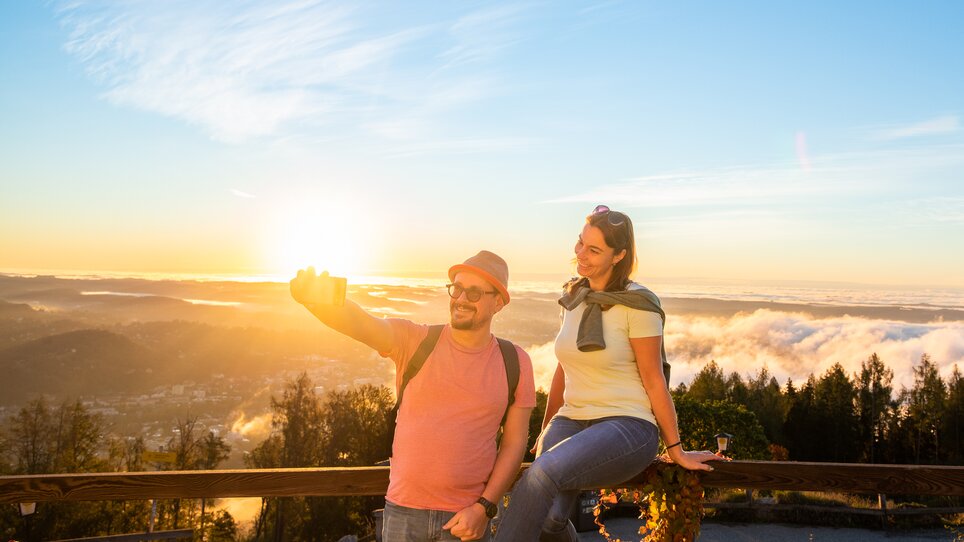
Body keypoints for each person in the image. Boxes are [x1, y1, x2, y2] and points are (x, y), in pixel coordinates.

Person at [493, 205, 722, 541]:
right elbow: (564, 368)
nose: (580, 255)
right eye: (580, 243)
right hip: (571, 421)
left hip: (627, 426)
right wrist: (546, 429)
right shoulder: (574, 297)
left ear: (619, 255)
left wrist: (676, 449)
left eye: (594, 249)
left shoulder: (638, 303)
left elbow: (654, 378)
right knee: (549, 520)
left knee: (542, 475)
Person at [290, 250, 536, 542]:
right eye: (456, 288)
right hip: (402, 513)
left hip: (467, 520)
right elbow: (364, 325)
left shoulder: (515, 362)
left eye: (473, 293)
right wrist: (322, 303)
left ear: (498, 302)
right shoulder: (416, 341)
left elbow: (514, 443)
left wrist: (484, 508)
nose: (460, 299)